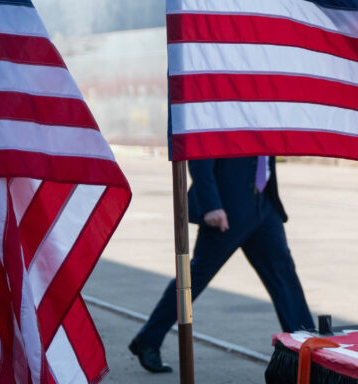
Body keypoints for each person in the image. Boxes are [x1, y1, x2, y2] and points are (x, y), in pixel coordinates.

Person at [127, 155, 314, 373]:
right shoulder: (218, 118)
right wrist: (211, 205)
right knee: (195, 278)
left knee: (285, 277)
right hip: (227, 206)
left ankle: (308, 351)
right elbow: (200, 156)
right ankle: (148, 339)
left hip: (265, 205)